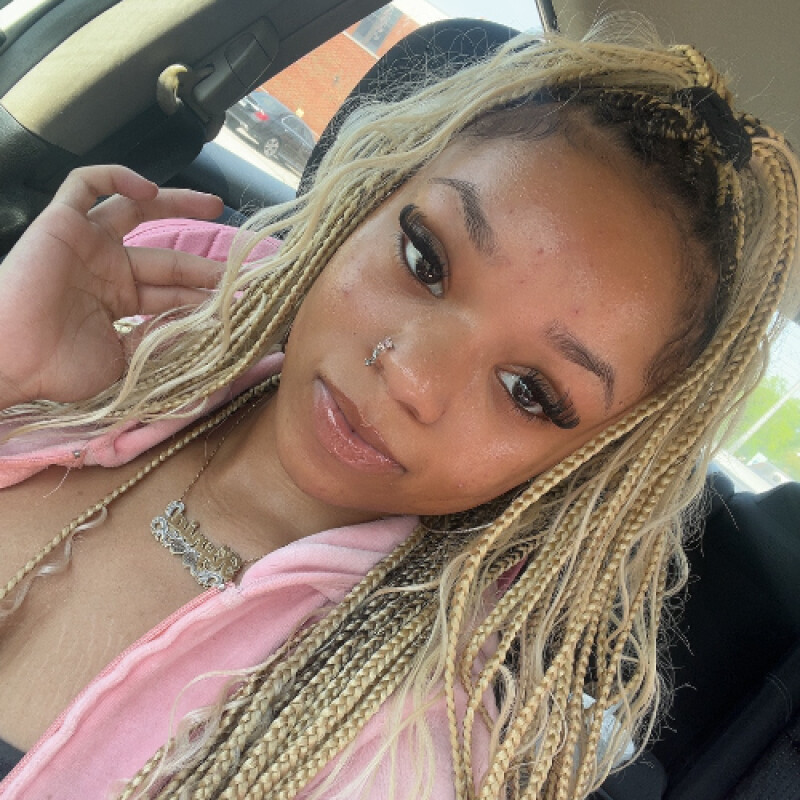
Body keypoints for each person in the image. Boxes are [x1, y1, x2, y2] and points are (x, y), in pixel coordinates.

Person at [0, 20, 797, 800]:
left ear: (584, 462)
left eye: (529, 391)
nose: (413, 376)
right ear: (368, 199)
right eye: (425, 259)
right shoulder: (143, 300)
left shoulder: (405, 753)